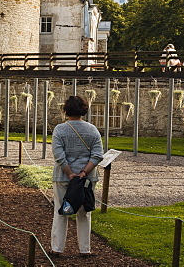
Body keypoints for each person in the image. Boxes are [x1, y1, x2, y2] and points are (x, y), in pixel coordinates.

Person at [51, 95, 104, 258]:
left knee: (61, 211)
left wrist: (70, 173)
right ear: (84, 110)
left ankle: (57, 248)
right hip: (86, 179)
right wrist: (83, 172)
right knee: (84, 212)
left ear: (66, 110)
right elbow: (97, 155)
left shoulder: (60, 129)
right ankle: (85, 249)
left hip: (63, 177)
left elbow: (59, 155)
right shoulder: (92, 129)